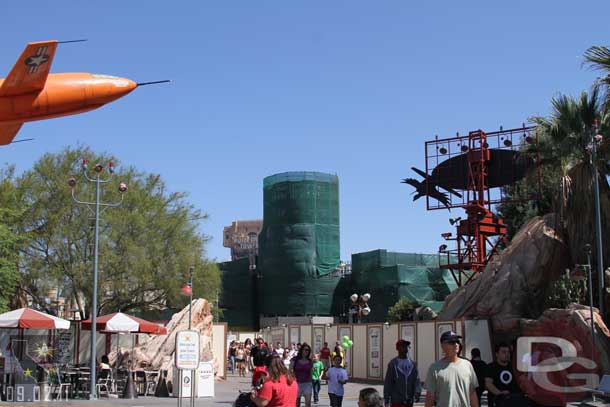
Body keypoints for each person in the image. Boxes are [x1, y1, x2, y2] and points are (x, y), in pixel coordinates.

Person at [424, 331, 479, 407]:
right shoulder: (435, 368)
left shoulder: (467, 365)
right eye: (452, 342)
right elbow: (430, 396)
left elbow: (472, 392)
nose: (456, 344)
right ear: (443, 346)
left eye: (457, 342)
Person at [485, 343, 527, 407]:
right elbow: (488, 383)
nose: (507, 354)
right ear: (497, 354)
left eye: (508, 352)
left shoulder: (514, 367)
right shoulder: (491, 367)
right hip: (498, 401)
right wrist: (499, 393)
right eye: (504, 352)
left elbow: (522, 380)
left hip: (515, 400)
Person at [383, 339, 421, 407]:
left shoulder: (413, 364)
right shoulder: (393, 364)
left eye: (406, 346)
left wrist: (417, 392)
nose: (405, 348)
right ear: (397, 348)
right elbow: (388, 383)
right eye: (402, 346)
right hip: (396, 401)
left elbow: (416, 380)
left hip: (409, 401)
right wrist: (386, 400)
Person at [291, 342, 313, 407]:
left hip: (307, 383)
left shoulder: (309, 361)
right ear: (301, 350)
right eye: (305, 349)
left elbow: (311, 372)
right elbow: (290, 370)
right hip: (297, 383)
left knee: (308, 403)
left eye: (308, 350)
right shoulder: (295, 359)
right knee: (297, 403)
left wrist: (311, 382)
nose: (306, 351)